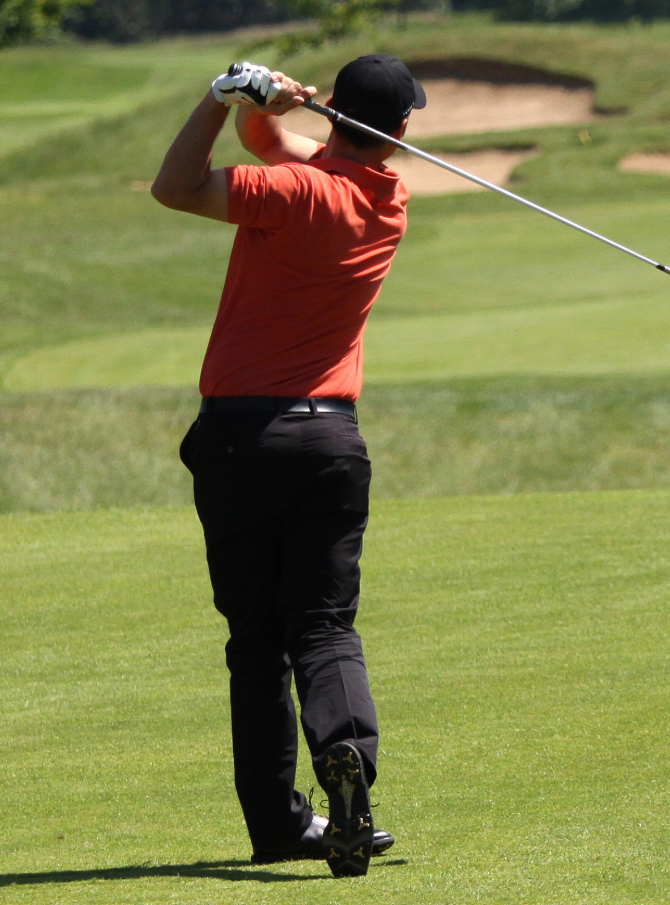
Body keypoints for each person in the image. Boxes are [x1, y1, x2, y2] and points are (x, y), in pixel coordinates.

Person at [149, 54, 428, 878]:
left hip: (242, 439)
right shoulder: (388, 201)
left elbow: (175, 185)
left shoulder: (288, 194)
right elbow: (274, 139)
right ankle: (345, 758)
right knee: (325, 626)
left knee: (256, 642)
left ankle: (277, 821)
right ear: (401, 132)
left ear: (337, 112)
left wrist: (216, 98)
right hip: (332, 444)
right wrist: (271, 103)